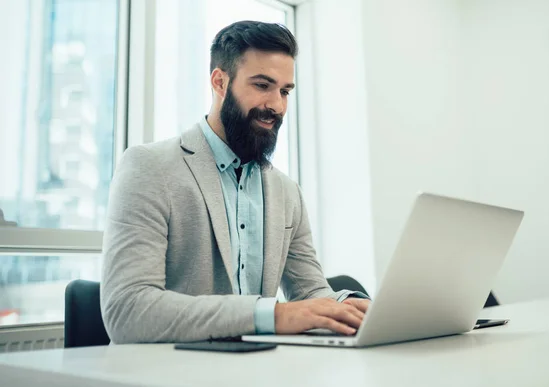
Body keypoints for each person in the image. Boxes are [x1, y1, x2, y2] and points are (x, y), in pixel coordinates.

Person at [100, 20, 369, 344]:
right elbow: (128, 311)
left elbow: (310, 293)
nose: (277, 106)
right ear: (220, 82)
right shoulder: (149, 167)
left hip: (258, 371)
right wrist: (271, 315)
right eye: (262, 85)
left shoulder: (287, 193)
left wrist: (354, 308)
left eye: (284, 91)